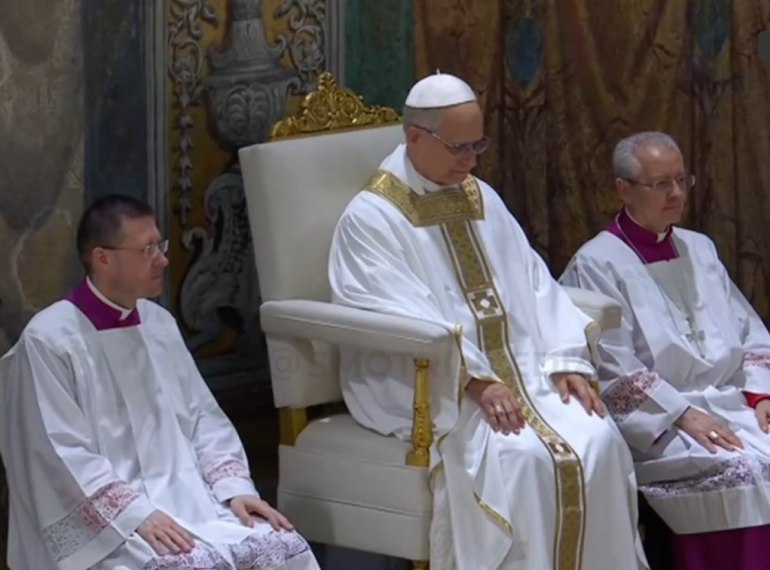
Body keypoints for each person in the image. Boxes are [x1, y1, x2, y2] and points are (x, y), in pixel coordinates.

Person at [328, 72, 648, 570]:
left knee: (600, 440)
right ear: (415, 138)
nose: (471, 160)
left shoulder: (480, 197)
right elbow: (393, 313)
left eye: (478, 145)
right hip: (436, 390)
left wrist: (566, 359)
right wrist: (474, 380)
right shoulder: (372, 218)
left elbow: (535, 284)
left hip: (525, 375)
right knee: (522, 459)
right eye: (459, 147)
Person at [0, 195, 320, 570]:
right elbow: (61, 452)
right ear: (103, 258)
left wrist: (234, 489)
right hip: (110, 524)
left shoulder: (158, 323)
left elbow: (203, 417)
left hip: (192, 499)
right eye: (147, 250)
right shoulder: (50, 341)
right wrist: (134, 514)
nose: (163, 260)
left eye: (160, 245)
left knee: (282, 545)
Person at [560, 131, 770, 570]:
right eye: (661, 184)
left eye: (681, 180)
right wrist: (682, 413)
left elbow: (748, 329)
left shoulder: (700, 248)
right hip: (663, 421)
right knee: (743, 471)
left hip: (732, 402)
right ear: (624, 189)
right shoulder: (597, 264)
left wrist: (761, 393)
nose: (676, 194)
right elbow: (610, 366)